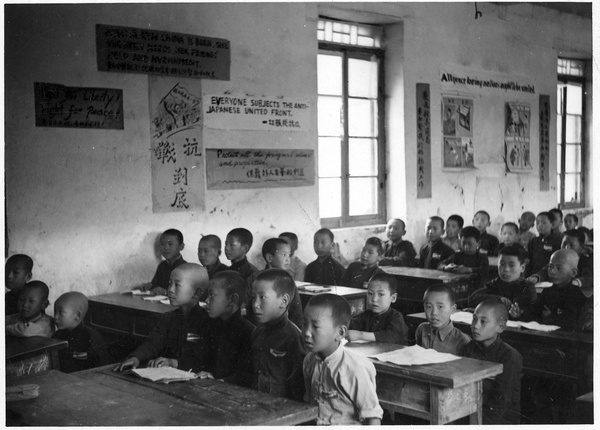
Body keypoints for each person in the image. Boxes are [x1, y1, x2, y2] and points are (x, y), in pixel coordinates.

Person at [303, 294, 383, 425]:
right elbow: (308, 403)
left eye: (315, 327)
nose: (306, 332)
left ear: (340, 333)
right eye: (304, 324)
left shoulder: (355, 367)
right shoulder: (309, 360)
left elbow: (373, 416)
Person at [113, 263, 209, 371]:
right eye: (169, 284)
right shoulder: (168, 318)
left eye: (177, 285)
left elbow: (201, 360)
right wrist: (136, 357)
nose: (170, 290)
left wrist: (174, 363)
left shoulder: (205, 322)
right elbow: (153, 343)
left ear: (197, 293)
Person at [175, 270, 255, 386]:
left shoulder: (249, 333)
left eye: (212, 295)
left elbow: (246, 375)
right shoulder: (208, 324)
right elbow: (198, 359)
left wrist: (220, 381)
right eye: (207, 294)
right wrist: (175, 363)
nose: (206, 300)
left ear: (233, 300)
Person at [460, 299, 522, 424]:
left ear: (501, 327)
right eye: (474, 319)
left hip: (499, 420)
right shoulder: (468, 348)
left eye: (483, 322)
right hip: (471, 414)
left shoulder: (509, 356)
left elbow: (501, 402)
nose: (475, 326)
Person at [250, 269, 306, 401]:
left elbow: (298, 389)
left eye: (262, 297)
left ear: (284, 301)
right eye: (253, 297)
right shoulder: (257, 332)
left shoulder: (294, 338)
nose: (255, 305)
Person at [468, 244, 536, 320]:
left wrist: (518, 315)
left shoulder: (528, 287)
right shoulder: (496, 283)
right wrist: (498, 299)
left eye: (511, 265)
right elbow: (472, 299)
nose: (506, 269)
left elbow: (533, 313)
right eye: (502, 264)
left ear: (522, 267)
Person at [246, 238, 303, 328]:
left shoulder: (288, 279)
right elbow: (248, 309)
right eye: (284, 255)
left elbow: (296, 313)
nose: (288, 259)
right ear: (269, 258)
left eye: (289, 255)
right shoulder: (255, 278)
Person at [528, 249, 588, 331]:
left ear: (573, 273)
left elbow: (572, 322)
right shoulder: (547, 291)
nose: (552, 272)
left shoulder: (575, 295)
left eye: (559, 268)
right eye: (550, 267)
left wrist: (551, 317)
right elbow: (536, 312)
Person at [52, 292, 110, 373]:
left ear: (77, 315)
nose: (55, 317)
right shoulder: (57, 335)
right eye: (55, 311)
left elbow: (102, 367)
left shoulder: (91, 337)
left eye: (61, 312)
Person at [527, 229, 593, 299]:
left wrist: (577, 282)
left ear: (582, 247)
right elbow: (546, 271)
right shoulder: (557, 258)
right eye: (564, 244)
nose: (566, 247)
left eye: (571, 245)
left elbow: (589, 277)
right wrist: (537, 277)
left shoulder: (587, 262)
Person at [347, 273, 408, 345]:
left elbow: (393, 336)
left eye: (381, 294)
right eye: (370, 293)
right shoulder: (365, 315)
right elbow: (349, 325)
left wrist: (361, 335)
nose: (374, 299)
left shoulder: (396, 317)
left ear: (393, 298)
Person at [414, 285, 470, 354]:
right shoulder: (422, 329)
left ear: (453, 309)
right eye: (429, 307)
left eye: (440, 307)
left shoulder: (462, 340)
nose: (434, 313)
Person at [147, 229, 187, 295]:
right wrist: (149, 287)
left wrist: (165, 292)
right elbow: (154, 287)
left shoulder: (186, 268)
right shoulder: (162, 266)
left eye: (170, 244)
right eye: (162, 244)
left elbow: (185, 293)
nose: (165, 248)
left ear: (181, 247)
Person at [526, 212, 562, 276]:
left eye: (543, 223)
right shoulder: (534, 241)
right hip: (534, 275)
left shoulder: (557, 241)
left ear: (552, 224)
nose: (540, 225)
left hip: (551, 275)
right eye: (537, 223)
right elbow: (529, 261)